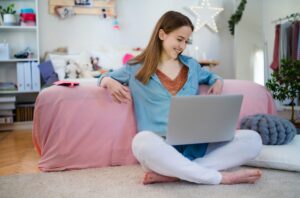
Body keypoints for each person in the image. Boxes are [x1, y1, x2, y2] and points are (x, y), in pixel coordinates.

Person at [98, 11, 263, 185]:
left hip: (196, 144)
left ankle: (177, 174)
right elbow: (102, 77)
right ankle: (219, 177)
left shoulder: (191, 65)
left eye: (186, 41)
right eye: (179, 39)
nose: (182, 46)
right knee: (141, 142)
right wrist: (108, 81)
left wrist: (218, 81)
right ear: (162, 34)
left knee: (253, 139)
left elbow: (211, 77)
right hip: (160, 148)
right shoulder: (135, 67)